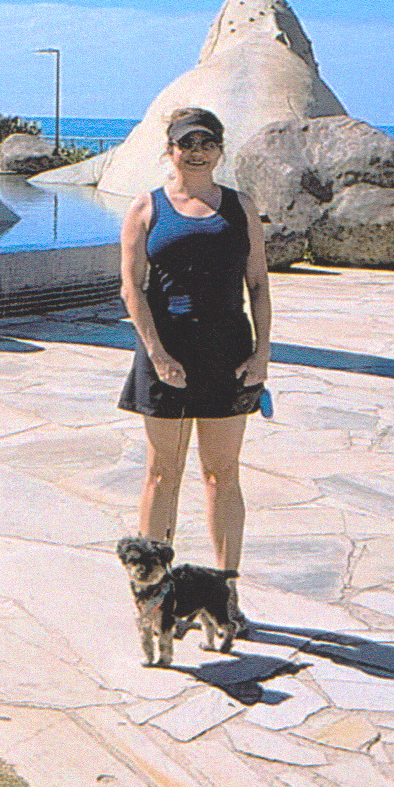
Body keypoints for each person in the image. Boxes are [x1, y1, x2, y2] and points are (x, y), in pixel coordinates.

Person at [117, 106, 271, 584]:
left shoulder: (241, 207)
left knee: (222, 473)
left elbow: (258, 284)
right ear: (170, 150)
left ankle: (226, 589)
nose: (197, 152)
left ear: (220, 151)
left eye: (207, 143)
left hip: (227, 351)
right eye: (187, 143)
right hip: (166, 352)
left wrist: (262, 353)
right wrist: (158, 354)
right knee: (162, 473)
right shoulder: (146, 208)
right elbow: (131, 288)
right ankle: (151, 589)